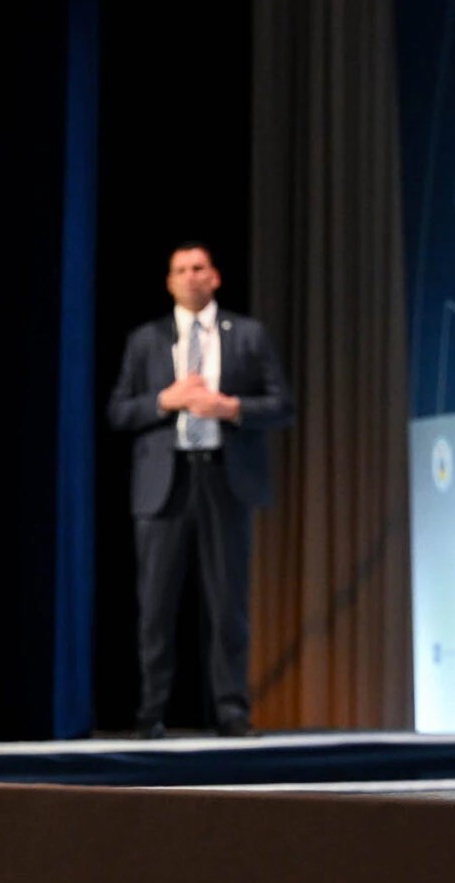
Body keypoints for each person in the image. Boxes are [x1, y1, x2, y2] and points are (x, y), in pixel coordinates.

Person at [105, 241, 295, 738]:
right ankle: (152, 712)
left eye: (199, 267)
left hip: (223, 477)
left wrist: (232, 408)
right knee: (156, 603)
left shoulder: (247, 335)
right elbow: (118, 411)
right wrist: (165, 401)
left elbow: (283, 404)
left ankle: (231, 710)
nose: (190, 276)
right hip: (164, 483)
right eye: (180, 270)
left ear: (215, 277)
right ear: (169, 282)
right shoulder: (146, 340)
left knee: (228, 601)